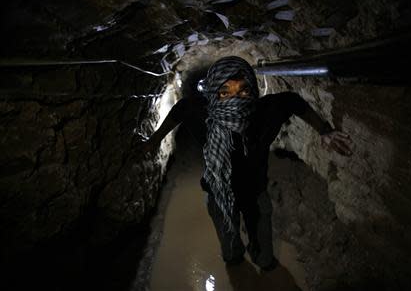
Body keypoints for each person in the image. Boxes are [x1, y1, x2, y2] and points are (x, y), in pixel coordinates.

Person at [136, 56, 352, 271]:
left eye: (243, 91)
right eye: (224, 93)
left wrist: (325, 131)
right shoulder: (202, 114)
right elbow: (180, 110)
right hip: (218, 193)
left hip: (255, 192)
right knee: (231, 253)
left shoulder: (265, 112)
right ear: (213, 96)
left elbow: (294, 102)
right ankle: (235, 260)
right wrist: (155, 140)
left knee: (266, 259)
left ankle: (261, 259)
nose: (235, 100)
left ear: (253, 91)